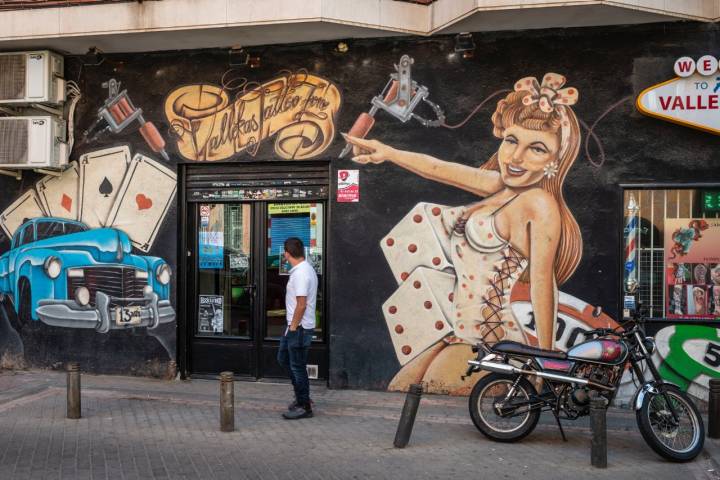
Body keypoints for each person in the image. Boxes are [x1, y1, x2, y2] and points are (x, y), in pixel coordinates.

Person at [344, 73, 582, 392]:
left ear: (556, 160)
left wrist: (546, 357)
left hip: (492, 340)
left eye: (537, 148)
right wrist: (388, 152)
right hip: (459, 334)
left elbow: (543, 282)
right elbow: (440, 169)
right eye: (511, 140)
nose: (516, 157)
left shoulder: (539, 204)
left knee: (423, 392)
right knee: (401, 387)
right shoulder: (501, 188)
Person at [277, 237, 318, 419]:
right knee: (284, 359)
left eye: (284, 252)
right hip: (293, 327)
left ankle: (304, 405)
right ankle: (303, 398)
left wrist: (293, 327)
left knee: (297, 367)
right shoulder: (302, 270)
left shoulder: (302, 273)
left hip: (299, 328)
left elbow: (301, 304)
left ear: (287, 253)